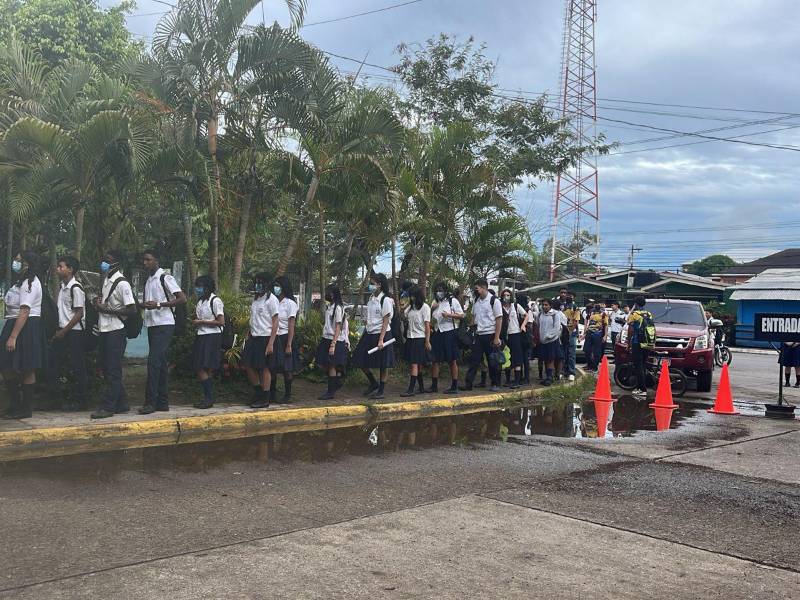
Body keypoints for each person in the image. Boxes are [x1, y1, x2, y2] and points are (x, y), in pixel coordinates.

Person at [91, 249, 137, 419]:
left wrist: (107, 309)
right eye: (104, 259)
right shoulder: (106, 280)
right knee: (106, 367)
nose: (104, 262)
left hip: (116, 331)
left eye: (108, 260)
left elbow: (132, 309)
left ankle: (108, 406)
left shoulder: (122, 283)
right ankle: (122, 403)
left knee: (112, 369)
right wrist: (99, 304)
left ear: (117, 263)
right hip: (105, 329)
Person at [139, 250, 186, 415]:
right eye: (144, 260)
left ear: (156, 260)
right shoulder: (148, 281)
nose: (145, 263)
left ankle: (150, 402)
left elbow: (182, 298)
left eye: (148, 260)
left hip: (165, 324)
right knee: (160, 363)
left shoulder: (165, 277)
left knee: (153, 362)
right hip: (152, 324)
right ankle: (162, 402)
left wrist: (158, 305)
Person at [1, 251, 44, 419]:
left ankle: (25, 409)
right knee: (5, 365)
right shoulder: (19, 282)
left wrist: (13, 337)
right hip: (13, 323)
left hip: (25, 326)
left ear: (27, 264)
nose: (15, 263)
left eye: (19, 261)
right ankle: (14, 404)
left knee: (27, 366)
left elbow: (25, 310)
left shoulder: (30, 283)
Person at [50, 255, 88, 411]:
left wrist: (64, 331)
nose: (58, 269)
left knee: (77, 365)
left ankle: (81, 400)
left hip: (74, 332)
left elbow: (79, 313)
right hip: (62, 331)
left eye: (61, 266)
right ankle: (56, 398)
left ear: (70, 269)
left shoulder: (75, 288)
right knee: (54, 363)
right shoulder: (62, 286)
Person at [352, 272, 395, 400]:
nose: (370, 285)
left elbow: (386, 320)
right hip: (369, 332)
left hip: (382, 334)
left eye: (372, 283)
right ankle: (373, 383)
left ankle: (381, 390)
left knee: (383, 364)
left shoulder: (385, 299)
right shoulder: (371, 299)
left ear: (380, 285)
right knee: (359, 358)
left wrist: (381, 339)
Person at [240, 272, 279, 409]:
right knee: (248, 364)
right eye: (256, 282)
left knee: (264, 368)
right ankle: (257, 392)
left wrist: (271, 343)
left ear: (267, 284)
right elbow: (253, 319)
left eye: (260, 282)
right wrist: (248, 333)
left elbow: (275, 322)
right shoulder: (256, 299)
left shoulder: (271, 300)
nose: (258, 285)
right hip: (253, 337)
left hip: (266, 337)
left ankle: (265, 398)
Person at [463, 278, 503, 392]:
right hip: (478, 335)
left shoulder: (494, 301)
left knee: (492, 361)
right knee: (474, 360)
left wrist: (496, 337)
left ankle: (495, 383)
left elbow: (499, 319)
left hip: (490, 334)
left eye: (477, 288)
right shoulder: (476, 301)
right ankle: (468, 383)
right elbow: (474, 318)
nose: (475, 290)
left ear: (484, 287)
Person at [191, 275, 225, 409]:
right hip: (201, 335)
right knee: (205, 367)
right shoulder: (200, 302)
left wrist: (202, 322)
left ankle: (209, 397)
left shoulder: (215, 301)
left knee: (200, 366)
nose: (198, 289)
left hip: (211, 336)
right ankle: (208, 397)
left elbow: (221, 321)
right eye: (197, 286)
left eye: (200, 286)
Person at [317, 283, 349, 400]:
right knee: (323, 363)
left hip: (334, 339)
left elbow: (338, 326)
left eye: (329, 293)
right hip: (326, 338)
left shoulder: (338, 308)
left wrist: (333, 344)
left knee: (331, 365)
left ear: (334, 294)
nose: (327, 295)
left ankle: (331, 392)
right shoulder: (330, 306)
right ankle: (336, 382)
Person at [430, 281, 463, 394]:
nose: (439, 293)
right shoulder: (434, 302)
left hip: (449, 332)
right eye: (437, 291)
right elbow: (430, 318)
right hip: (437, 332)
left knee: (452, 360)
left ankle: (454, 386)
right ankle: (434, 385)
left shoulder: (452, 301)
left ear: (445, 291)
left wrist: (449, 315)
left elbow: (461, 315)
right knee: (435, 360)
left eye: (441, 290)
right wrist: (432, 309)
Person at [272, 276, 298, 404]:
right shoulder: (273, 301)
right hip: (274, 337)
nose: (275, 288)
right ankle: (272, 393)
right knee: (273, 367)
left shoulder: (290, 304)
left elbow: (291, 325)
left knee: (287, 368)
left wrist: (289, 344)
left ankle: (288, 394)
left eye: (278, 285)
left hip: (286, 337)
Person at [401, 286, 432, 397]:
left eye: (413, 296)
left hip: (420, 338)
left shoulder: (425, 308)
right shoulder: (411, 308)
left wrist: (427, 341)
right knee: (415, 364)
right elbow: (404, 317)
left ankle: (411, 389)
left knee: (414, 363)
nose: (411, 298)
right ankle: (421, 387)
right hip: (410, 338)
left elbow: (427, 325)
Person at [500, 289, 528, 389]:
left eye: (508, 295)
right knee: (506, 357)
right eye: (504, 295)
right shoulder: (499, 307)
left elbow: (526, 315)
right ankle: (508, 380)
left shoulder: (515, 306)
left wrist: (523, 325)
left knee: (517, 358)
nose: (506, 297)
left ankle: (517, 381)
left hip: (515, 334)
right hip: (504, 335)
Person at [626, 296, 652, 398]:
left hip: (637, 342)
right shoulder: (648, 314)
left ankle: (642, 389)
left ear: (636, 304)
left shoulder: (634, 314)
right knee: (643, 365)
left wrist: (629, 343)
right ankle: (641, 386)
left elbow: (629, 327)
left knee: (638, 366)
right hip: (647, 342)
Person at [537, 299, 563, 386]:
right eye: (543, 305)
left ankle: (550, 377)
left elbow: (556, 328)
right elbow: (538, 325)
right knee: (545, 359)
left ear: (550, 306)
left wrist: (549, 336)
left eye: (546, 305)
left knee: (551, 359)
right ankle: (548, 376)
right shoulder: (540, 314)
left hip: (552, 340)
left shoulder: (555, 315)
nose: (544, 306)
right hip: (542, 341)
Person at [582, 302, 609, 372]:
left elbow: (606, 325)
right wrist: (584, 332)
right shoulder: (591, 313)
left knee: (597, 351)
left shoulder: (603, 314)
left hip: (598, 333)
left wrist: (605, 336)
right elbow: (586, 320)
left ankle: (594, 367)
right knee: (586, 350)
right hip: (589, 332)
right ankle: (589, 365)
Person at [561, 292, 580, 382]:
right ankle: (563, 371)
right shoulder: (562, 306)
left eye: (571, 296)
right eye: (568, 295)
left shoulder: (575, 307)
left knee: (571, 353)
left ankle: (571, 372)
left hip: (571, 332)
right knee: (563, 352)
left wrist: (570, 331)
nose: (569, 297)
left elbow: (576, 321)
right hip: (563, 332)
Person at [516, 294, 536, 385]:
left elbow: (530, 324)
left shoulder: (527, 311)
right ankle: (521, 377)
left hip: (525, 336)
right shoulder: (518, 309)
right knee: (521, 357)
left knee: (525, 358)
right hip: (522, 335)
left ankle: (526, 378)